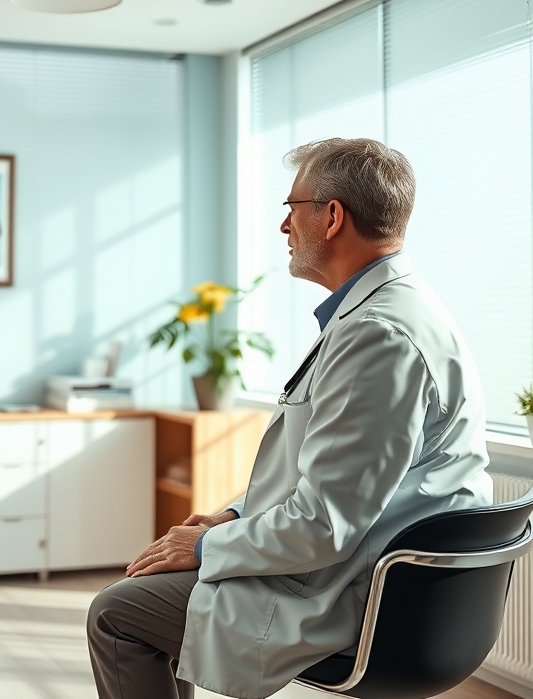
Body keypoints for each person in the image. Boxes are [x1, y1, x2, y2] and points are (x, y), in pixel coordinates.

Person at [86, 138, 493, 699]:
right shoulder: (395, 309)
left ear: (331, 217)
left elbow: (326, 523)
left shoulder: (378, 336)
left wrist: (205, 548)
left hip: (353, 593)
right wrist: (231, 516)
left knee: (118, 613)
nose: (283, 227)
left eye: (291, 208)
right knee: (147, 593)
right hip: (363, 568)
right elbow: (324, 473)